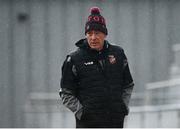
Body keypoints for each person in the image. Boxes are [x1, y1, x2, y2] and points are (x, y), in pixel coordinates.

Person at [59, 7, 134, 128]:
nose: (93, 37)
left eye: (97, 33)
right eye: (89, 33)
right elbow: (66, 93)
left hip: (115, 122)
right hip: (88, 124)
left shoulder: (118, 54)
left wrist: (122, 107)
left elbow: (128, 84)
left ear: (104, 34)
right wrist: (82, 112)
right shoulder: (74, 59)